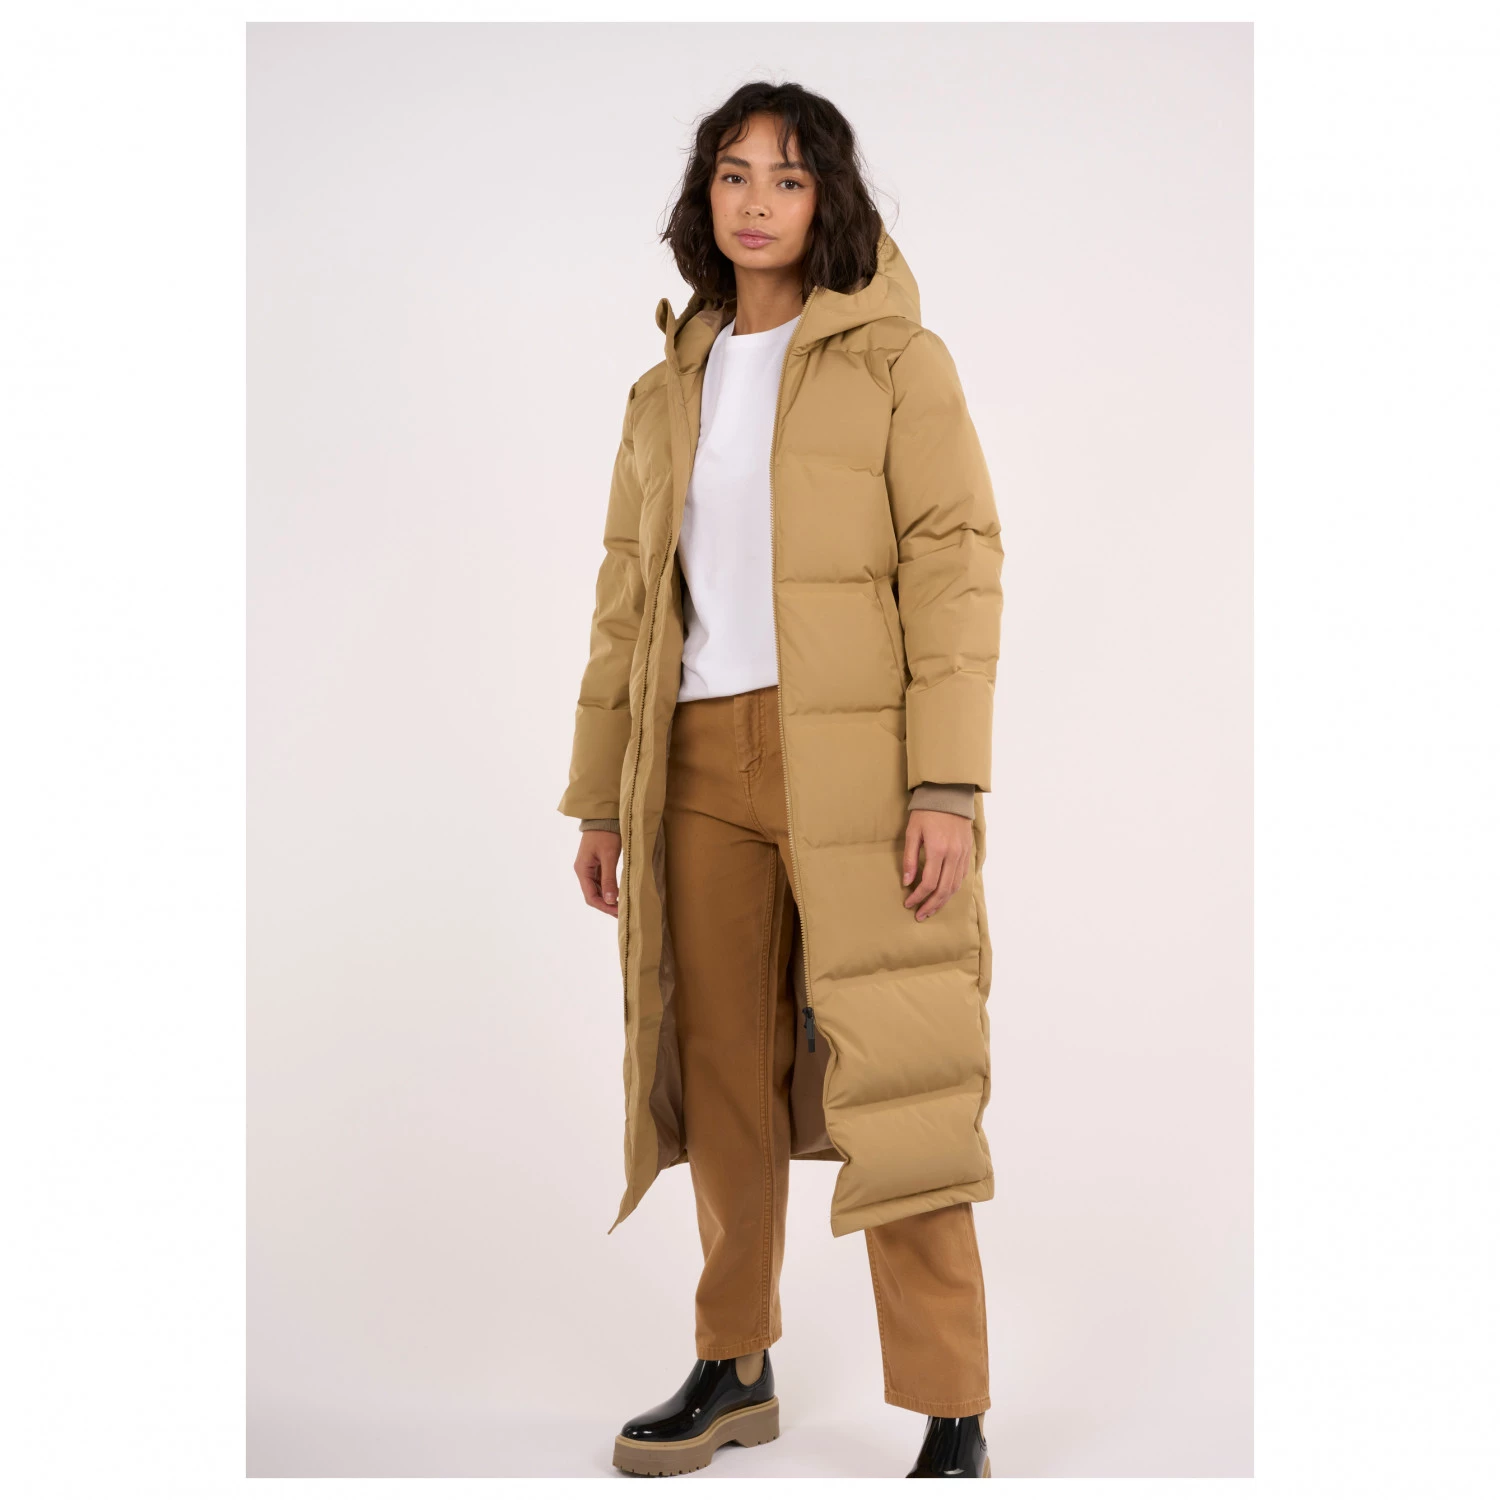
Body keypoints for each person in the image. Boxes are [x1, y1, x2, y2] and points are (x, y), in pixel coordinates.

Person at [558, 80, 1004, 1479]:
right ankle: (732, 1361)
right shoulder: (664, 393)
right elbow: (628, 604)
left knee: (901, 1075)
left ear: (830, 201)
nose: (758, 200)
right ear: (705, 199)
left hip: (860, 767)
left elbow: (956, 565)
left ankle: (952, 1406)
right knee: (722, 1075)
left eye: (790, 177)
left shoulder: (896, 362)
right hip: (696, 762)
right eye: (734, 174)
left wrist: (948, 785)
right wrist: (602, 797)